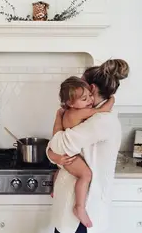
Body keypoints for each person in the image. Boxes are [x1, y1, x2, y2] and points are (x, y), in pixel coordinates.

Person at [46, 59, 129, 233]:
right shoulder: (89, 115)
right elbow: (57, 148)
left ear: (91, 88)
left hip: (79, 213)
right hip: (69, 207)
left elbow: (58, 145)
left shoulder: (101, 120)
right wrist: (54, 155)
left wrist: (54, 154)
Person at [51, 76, 115, 228]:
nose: (89, 101)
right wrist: (112, 98)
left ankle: (54, 190)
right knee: (86, 174)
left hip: (61, 147)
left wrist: (58, 115)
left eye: (90, 96)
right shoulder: (79, 113)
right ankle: (79, 207)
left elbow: (56, 135)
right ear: (70, 103)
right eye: (84, 99)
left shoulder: (68, 112)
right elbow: (103, 110)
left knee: (59, 170)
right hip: (65, 150)